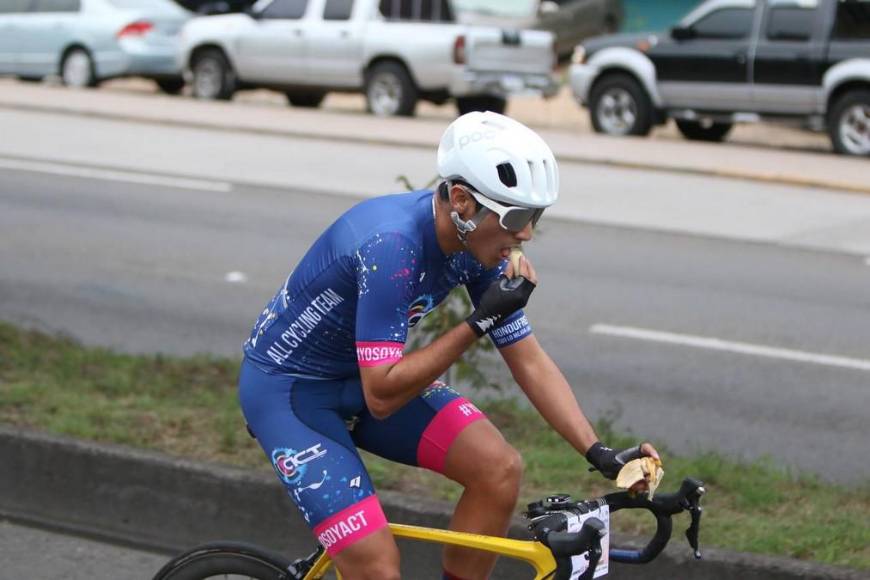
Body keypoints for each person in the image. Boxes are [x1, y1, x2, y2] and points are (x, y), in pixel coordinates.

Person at [238, 111, 660, 580]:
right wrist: (479, 322)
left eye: (535, 217)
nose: (526, 234)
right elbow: (382, 395)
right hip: (291, 394)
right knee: (375, 565)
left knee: (498, 470)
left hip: (357, 382)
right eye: (516, 217)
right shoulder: (391, 246)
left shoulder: (475, 243)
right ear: (461, 201)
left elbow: (529, 360)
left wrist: (598, 453)